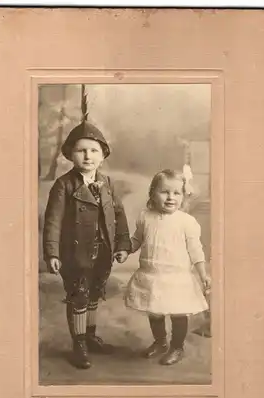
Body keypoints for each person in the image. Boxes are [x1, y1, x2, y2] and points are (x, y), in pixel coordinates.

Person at [43, 121, 130, 369]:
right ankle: (78, 342)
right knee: (79, 295)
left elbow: (119, 216)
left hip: (102, 252)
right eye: (81, 150)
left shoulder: (108, 184)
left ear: (103, 156)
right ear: (71, 154)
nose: (87, 156)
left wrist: (122, 244)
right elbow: (53, 222)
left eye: (93, 150)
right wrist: (52, 253)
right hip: (75, 253)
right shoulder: (64, 185)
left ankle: (90, 336)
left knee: (94, 293)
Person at [125, 169, 211, 365]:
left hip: (176, 277)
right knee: (154, 311)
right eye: (164, 192)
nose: (171, 197)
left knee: (178, 313)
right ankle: (160, 341)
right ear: (153, 194)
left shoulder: (187, 222)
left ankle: (177, 347)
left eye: (176, 193)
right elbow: (137, 239)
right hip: (152, 274)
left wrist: (203, 274)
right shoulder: (145, 216)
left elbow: (196, 251)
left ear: (183, 196)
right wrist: (125, 249)